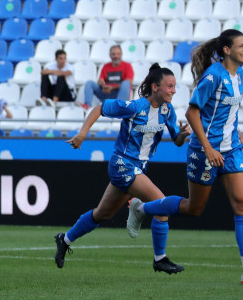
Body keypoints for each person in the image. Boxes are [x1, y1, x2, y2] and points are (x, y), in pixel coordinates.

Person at [126, 30, 243, 285]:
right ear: (226, 50)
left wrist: (238, 135)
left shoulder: (238, 74)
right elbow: (193, 113)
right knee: (193, 208)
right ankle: (141, 208)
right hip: (205, 150)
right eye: (241, 46)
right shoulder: (213, 76)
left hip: (230, 150)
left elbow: (229, 110)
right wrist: (207, 147)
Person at [54, 63, 191, 274]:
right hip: (122, 164)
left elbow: (177, 141)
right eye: (170, 86)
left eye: (174, 86)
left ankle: (65, 239)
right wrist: (82, 133)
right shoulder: (135, 107)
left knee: (102, 214)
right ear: (155, 87)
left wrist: (182, 134)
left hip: (138, 169)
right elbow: (99, 108)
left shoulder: (167, 110)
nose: (174, 90)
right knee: (162, 205)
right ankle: (159, 258)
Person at [81, 45, 134, 109]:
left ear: (121, 54)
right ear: (110, 55)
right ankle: (87, 105)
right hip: (107, 92)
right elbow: (100, 80)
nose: (116, 56)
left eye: (118, 54)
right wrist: (103, 86)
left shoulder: (127, 66)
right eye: (113, 54)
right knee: (89, 83)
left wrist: (112, 87)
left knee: (125, 83)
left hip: (119, 93)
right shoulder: (106, 66)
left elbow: (129, 82)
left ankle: (120, 107)